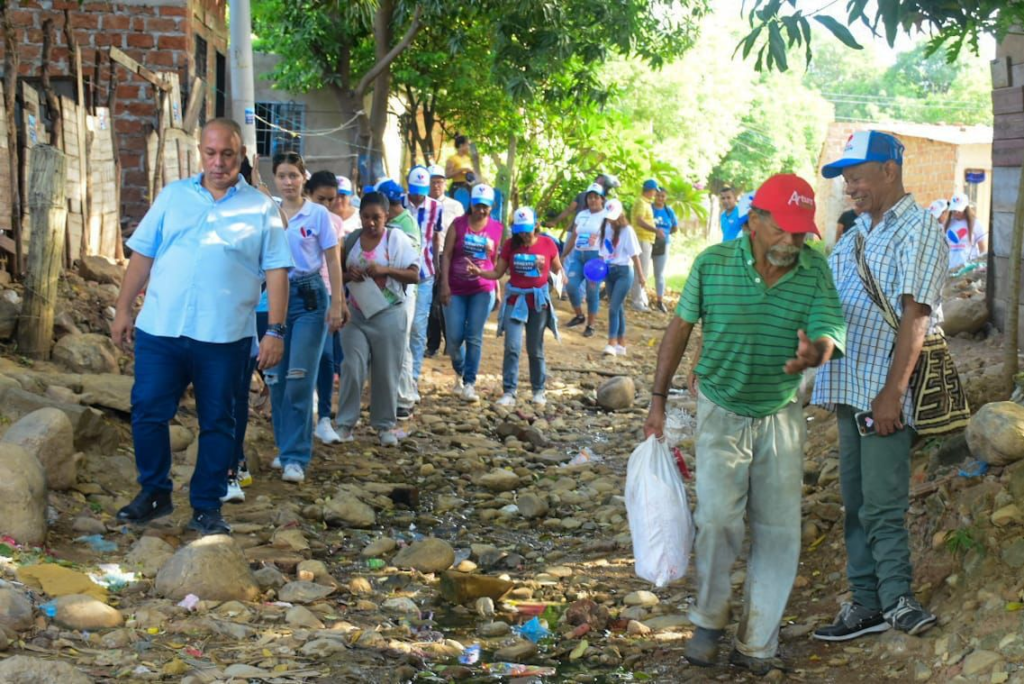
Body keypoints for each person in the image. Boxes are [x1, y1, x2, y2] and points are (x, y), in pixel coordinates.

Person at [644, 173, 846, 675]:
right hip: (721, 408)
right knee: (716, 521)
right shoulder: (712, 264)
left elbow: (829, 327)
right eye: (784, 229)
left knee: (778, 531)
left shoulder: (814, 269)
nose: (793, 241)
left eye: (802, 232)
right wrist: (656, 400)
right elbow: (680, 326)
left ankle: (757, 643)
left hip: (780, 412)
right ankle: (709, 618)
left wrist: (816, 352)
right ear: (755, 221)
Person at [112, 118, 293, 535]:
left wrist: (275, 331)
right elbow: (142, 255)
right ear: (200, 153)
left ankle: (207, 506)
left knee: (219, 421)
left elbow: (278, 272)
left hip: (225, 336)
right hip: (162, 328)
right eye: (210, 153)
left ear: (241, 156)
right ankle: (154, 492)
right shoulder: (173, 197)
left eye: (227, 154)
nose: (218, 162)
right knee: (147, 412)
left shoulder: (262, 209)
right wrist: (123, 309)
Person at [811, 130, 946, 642]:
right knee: (856, 499)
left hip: (883, 392)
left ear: (889, 170)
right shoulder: (859, 234)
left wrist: (892, 393)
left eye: (857, 175)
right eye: (846, 178)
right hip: (851, 384)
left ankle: (896, 599)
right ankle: (866, 602)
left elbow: (916, 316)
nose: (850, 186)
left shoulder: (918, 230)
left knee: (885, 502)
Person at [266, 153, 347, 484]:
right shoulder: (268, 212)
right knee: (276, 378)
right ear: (275, 178)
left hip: (310, 296)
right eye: (282, 176)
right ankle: (285, 446)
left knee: (300, 377)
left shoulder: (318, 215)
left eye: (294, 176)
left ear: (303, 179)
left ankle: (296, 457)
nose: (288, 182)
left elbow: (332, 259)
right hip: (272, 295)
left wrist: (337, 303)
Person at [336, 192, 420, 445]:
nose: (371, 223)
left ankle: (384, 425)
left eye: (377, 218)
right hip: (356, 313)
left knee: (386, 370)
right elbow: (336, 272)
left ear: (386, 217)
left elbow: (415, 275)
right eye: (366, 217)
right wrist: (348, 275)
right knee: (352, 365)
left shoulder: (396, 239)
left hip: (389, 312)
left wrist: (385, 270)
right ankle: (344, 424)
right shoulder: (352, 240)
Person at [468, 207, 563, 408]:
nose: (524, 234)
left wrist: (562, 281)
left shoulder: (547, 243)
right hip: (515, 301)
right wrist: (479, 272)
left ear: (535, 226)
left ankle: (539, 390)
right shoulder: (511, 245)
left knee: (535, 348)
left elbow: (558, 269)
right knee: (512, 346)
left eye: (527, 230)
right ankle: (509, 391)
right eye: (520, 230)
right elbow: (497, 273)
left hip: (538, 303)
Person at [439, 183, 503, 402]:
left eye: (485, 206)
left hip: (482, 289)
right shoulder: (458, 225)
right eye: (477, 205)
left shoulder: (497, 228)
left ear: (491, 206)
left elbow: (495, 262)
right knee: (454, 338)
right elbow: (446, 255)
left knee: (474, 337)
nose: (481, 210)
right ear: (471, 204)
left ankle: (469, 383)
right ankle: (460, 369)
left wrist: (497, 286)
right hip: (455, 288)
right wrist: (444, 285)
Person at [305, 171, 350, 446]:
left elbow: (337, 263)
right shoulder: (295, 216)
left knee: (326, 358)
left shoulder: (335, 223)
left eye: (331, 200)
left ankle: (323, 418)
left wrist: (339, 301)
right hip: (298, 294)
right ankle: (299, 421)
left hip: (327, 294)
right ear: (308, 193)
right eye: (321, 199)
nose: (327, 205)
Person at [376, 179, 422, 420]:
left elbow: (409, 266)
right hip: (389, 294)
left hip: (402, 294)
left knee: (400, 345)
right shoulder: (395, 222)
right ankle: (404, 393)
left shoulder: (405, 226)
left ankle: (404, 399)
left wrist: (382, 267)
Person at [405, 166, 445, 387]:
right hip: (400, 273)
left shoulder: (436, 207)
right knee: (402, 325)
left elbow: (436, 237)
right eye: (414, 190)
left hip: (425, 272)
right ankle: (400, 374)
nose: (418, 195)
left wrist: (438, 266)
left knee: (419, 326)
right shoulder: (398, 203)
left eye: (422, 190)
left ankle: (413, 377)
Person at [426, 164, 465, 358]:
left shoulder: (455, 206)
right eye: (433, 182)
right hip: (426, 256)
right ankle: (432, 344)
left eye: (440, 182)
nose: (436, 186)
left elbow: (461, 232)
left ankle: (451, 342)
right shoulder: (422, 204)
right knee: (430, 303)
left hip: (447, 256)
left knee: (445, 301)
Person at [599, 199, 644, 356]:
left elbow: (635, 255)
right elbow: (603, 253)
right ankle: (621, 344)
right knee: (618, 308)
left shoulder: (627, 231)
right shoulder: (605, 228)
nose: (610, 220)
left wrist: (641, 276)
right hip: (609, 271)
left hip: (624, 271)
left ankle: (611, 343)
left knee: (613, 307)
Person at [562, 182, 606, 337]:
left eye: (596, 197)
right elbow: (574, 236)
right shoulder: (581, 215)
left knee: (592, 291)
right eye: (590, 197)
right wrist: (564, 254)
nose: (593, 200)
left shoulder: (606, 216)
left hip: (595, 258)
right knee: (571, 285)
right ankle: (579, 315)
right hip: (578, 256)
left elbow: (610, 239)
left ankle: (591, 325)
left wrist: (603, 257)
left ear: (602, 199)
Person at [630, 179, 659, 311]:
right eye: (654, 191)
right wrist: (655, 230)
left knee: (640, 270)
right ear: (650, 190)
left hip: (644, 239)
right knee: (641, 271)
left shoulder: (645, 202)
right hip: (642, 238)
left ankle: (640, 298)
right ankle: (637, 301)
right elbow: (639, 220)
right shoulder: (642, 202)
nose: (655, 194)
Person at [544, 173, 612, 228]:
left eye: (600, 182)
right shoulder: (582, 195)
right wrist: (554, 222)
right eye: (597, 180)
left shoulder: (607, 203)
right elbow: (569, 210)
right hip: (575, 229)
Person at [651, 187, 678, 313]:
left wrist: (665, 234)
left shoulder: (669, 211)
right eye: (658, 195)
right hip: (649, 241)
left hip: (663, 244)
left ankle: (660, 300)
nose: (660, 198)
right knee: (641, 270)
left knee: (659, 273)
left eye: (663, 196)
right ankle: (638, 299)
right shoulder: (649, 208)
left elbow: (675, 227)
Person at [945, 192, 986, 271]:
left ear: (966, 209)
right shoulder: (948, 224)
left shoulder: (975, 223)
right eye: (954, 210)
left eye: (959, 210)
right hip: (951, 267)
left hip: (969, 266)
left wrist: (981, 264)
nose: (956, 213)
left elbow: (982, 247)